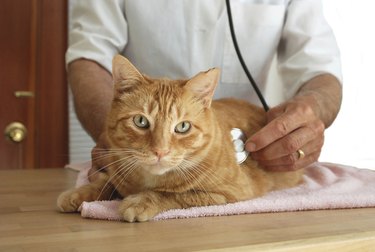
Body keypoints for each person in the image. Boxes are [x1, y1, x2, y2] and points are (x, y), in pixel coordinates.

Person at [66, 0, 342, 172]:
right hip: (139, 157)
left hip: (247, 155)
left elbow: (320, 68)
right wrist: (117, 135)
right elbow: (90, 55)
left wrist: (312, 110)